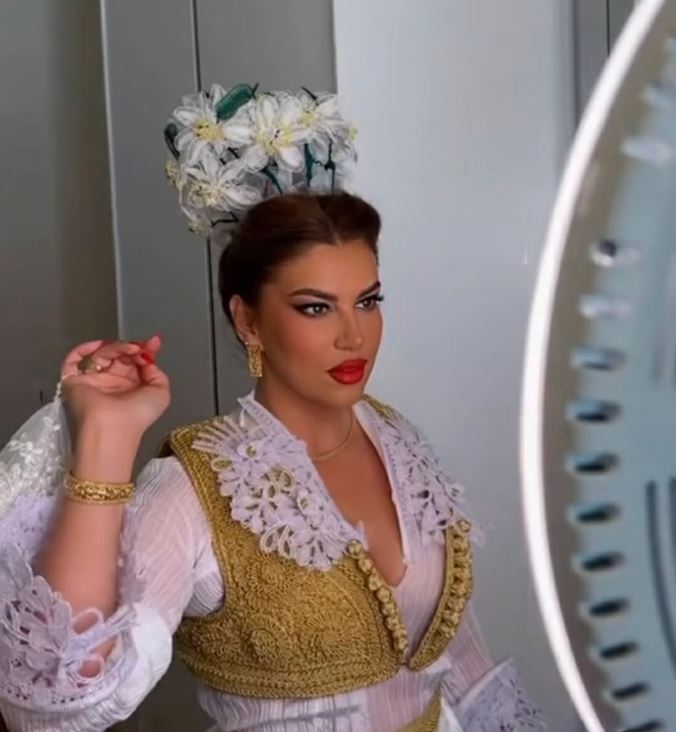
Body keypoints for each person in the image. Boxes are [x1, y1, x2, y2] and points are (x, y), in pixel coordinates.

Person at [0, 86, 547, 732]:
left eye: (368, 301)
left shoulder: (394, 437)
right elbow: (51, 704)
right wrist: (105, 438)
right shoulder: (195, 489)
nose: (354, 336)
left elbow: (460, 661)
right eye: (316, 308)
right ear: (248, 321)